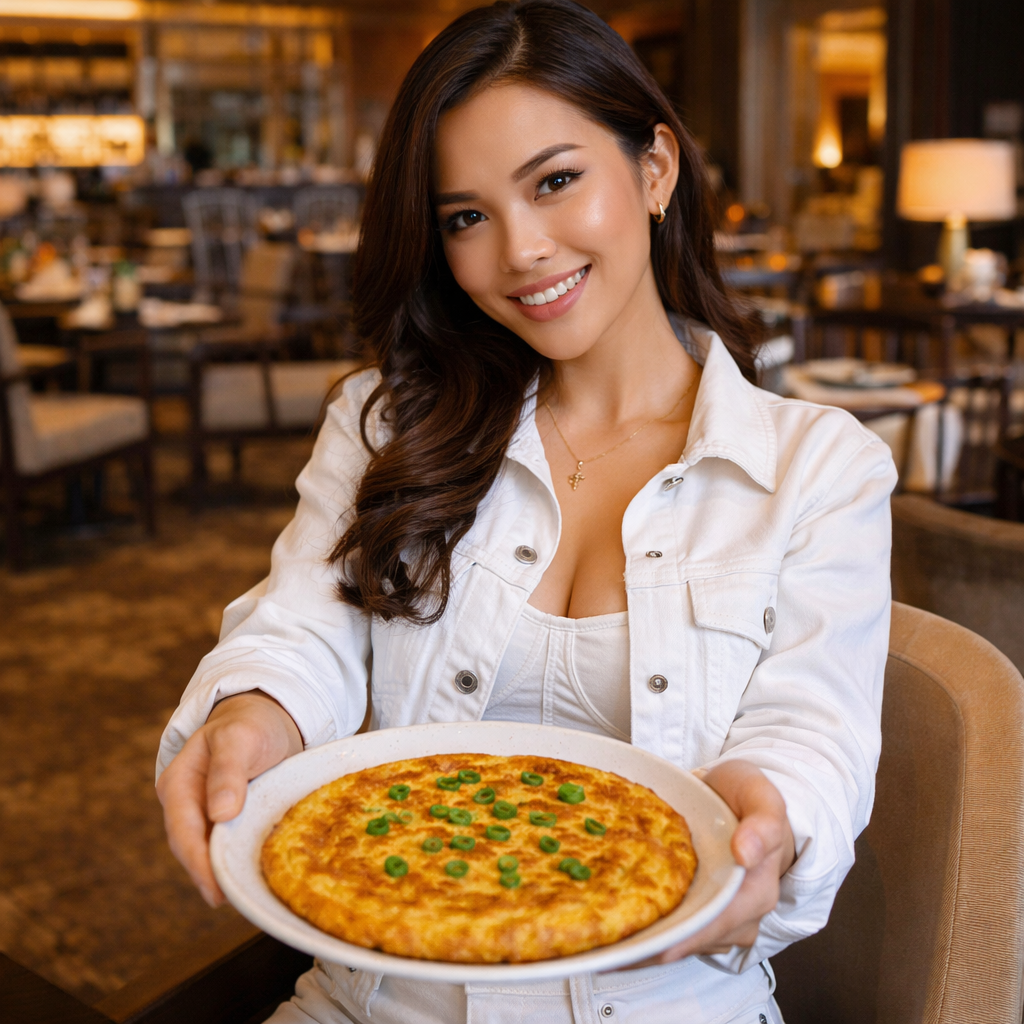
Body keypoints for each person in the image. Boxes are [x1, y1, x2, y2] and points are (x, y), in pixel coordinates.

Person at [155, 2, 897, 1021]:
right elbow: (303, 632)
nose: (520, 251)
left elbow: (809, 730)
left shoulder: (822, 468)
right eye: (466, 215)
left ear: (654, 169)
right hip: (377, 999)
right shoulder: (384, 423)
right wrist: (253, 713)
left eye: (555, 182)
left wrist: (772, 814)